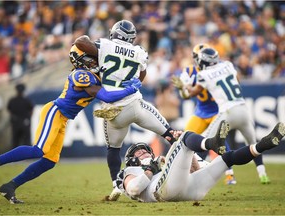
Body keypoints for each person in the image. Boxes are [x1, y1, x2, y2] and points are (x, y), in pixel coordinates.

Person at [0, 44, 142, 204]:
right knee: (39, 149)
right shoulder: (80, 74)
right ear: (80, 60)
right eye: (89, 57)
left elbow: (110, 90)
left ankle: (10, 186)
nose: (94, 60)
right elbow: (105, 96)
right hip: (55, 111)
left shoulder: (95, 75)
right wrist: (130, 90)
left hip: (64, 118)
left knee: (49, 161)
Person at [74, 20, 177, 201]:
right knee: (170, 133)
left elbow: (80, 42)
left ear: (114, 33)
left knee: (113, 149)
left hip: (113, 111)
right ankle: (194, 158)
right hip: (134, 105)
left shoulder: (105, 45)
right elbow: (142, 75)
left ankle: (116, 185)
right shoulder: (139, 52)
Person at [116, 121, 285, 202]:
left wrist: (186, 155)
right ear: (131, 160)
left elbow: (197, 170)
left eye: (145, 150)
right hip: (161, 191)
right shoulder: (129, 172)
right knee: (185, 136)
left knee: (226, 159)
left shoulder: (161, 161)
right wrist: (150, 170)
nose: (143, 152)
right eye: (138, 152)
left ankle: (262, 145)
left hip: (191, 191)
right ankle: (212, 143)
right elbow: (135, 188)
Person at [184, 47, 270, 184]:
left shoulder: (204, 74)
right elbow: (237, 81)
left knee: (207, 141)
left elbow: (194, 92)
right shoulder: (228, 65)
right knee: (254, 145)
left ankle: (194, 176)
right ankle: (262, 174)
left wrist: (187, 86)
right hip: (243, 109)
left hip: (227, 112)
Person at [171, 43, 236, 185]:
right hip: (201, 112)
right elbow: (186, 96)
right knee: (184, 138)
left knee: (221, 140)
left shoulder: (219, 69)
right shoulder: (189, 71)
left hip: (217, 111)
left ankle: (229, 173)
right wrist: (182, 89)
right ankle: (183, 172)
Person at [7, 83, 33, 148]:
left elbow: (9, 109)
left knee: (15, 141)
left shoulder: (12, 100)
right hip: (25, 122)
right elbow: (31, 109)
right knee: (26, 141)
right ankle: (26, 155)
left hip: (15, 122)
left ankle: (14, 156)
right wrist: (28, 118)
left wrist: (14, 118)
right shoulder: (26, 100)